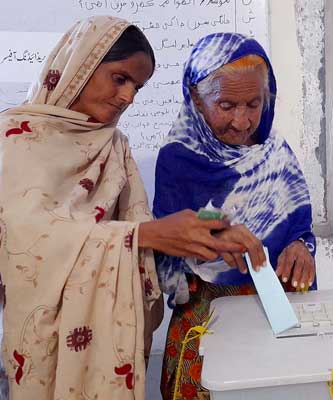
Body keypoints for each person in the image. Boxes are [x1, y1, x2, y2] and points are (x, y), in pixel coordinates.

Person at [0, 16, 260, 399]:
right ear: (80, 66)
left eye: (138, 86)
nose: (129, 97)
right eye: (120, 79)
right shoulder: (15, 139)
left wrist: (206, 230)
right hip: (42, 344)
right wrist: (141, 235)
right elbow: (24, 241)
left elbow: (140, 233)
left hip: (110, 341)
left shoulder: (114, 147)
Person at [154, 33, 317, 399]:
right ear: (197, 99)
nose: (243, 122)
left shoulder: (275, 152)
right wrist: (213, 237)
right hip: (208, 310)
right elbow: (163, 250)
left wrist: (300, 247)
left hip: (277, 301)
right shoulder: (178, 159)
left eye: (253, 104)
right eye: (226, 105)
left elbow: (299, 225)